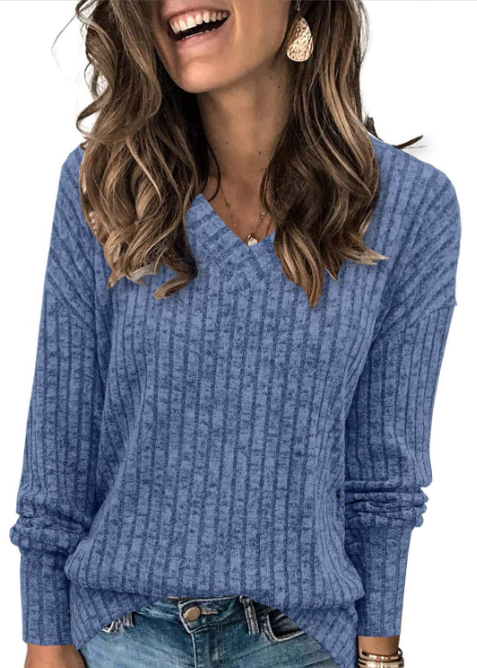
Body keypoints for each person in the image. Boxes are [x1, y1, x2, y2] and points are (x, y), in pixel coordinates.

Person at [10, 2, 461, 668]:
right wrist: (44, 640)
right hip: (120, 638)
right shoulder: (104, 183)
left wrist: (380, 655)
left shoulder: (408, 205)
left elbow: (384, 471)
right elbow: (60, 442)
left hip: (305, 643)